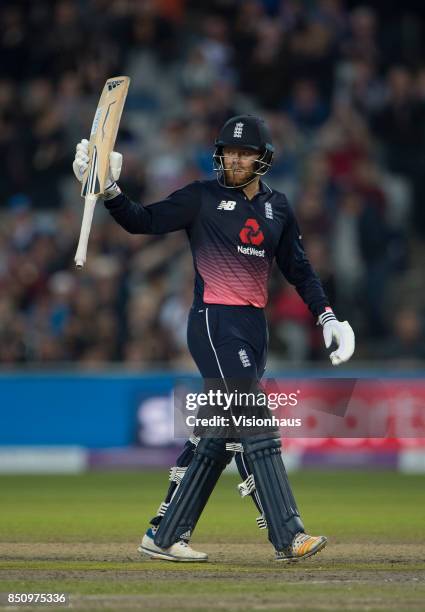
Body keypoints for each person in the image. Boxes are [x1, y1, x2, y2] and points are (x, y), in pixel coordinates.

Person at [73, 115, 355, 563]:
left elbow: (299, 269)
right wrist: (108, 190)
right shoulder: (200, 197)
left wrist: (327, 317)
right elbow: (142, 222)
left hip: (252, 328)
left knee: (217, 435)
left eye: (244, 152)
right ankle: (288, 535)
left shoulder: (277, 207)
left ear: (263, 159)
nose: (235, 159)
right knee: (255, 418)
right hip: (214, 323)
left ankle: (164, 536)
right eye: (228, 150)